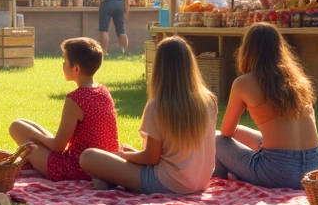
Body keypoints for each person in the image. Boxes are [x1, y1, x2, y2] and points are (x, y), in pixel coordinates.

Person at [79, 36, 217, 195]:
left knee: (88, 156)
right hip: (200, 182)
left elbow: (151, 158)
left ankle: (107, 180)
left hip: (168, 183)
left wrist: (123, 155)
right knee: (123, 157)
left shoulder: (158, 106)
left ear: (159, 68)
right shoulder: (209, 101)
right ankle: (107, 180)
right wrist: (132, 155)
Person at [214, 23, 318, 189]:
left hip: (279, 172)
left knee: (217, 139)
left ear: (247, 50)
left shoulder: (243, 82)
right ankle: (236, 172)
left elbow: (226, 132)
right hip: (314, 168)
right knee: (243, 132)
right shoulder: (298, 82)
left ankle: (220, 179)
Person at [8, 37, 119, 180]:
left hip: (75, 169)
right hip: (103, 164)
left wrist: (34, 137)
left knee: (16, 127)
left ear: (76, 68)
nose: (62, 64)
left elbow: (58, 146)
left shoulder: (76, 98)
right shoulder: (103, 90)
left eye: (65, 61)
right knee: (23, 123)